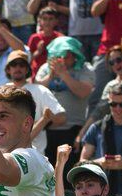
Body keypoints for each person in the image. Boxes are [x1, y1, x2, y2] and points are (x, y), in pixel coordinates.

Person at [35, 36, 95, 167]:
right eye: (59, 56)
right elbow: (36, 92)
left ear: (75, 55)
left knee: (68, 173)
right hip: (47, 129)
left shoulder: (85, 69)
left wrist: (64, 74)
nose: (62, 60)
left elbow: (83, 92)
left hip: (73, 129)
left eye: (67, 56)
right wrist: (50, 75)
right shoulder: (45, 68)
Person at [4, 50, 66, 155]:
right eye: (14, 64)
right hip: (6, 154)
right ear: (8, 69)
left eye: (22, 65)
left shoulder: (40, 90)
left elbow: (62, 117)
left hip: (35, 155)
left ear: (27, 69)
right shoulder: (1, 92)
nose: (18, 68)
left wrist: (47, 119)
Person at [27, 7, 64, 79]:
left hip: (54, 75)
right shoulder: (34, 38)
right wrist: (38, 52)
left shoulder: (60, 38)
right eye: (44, 19)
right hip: (37, 75)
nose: (47, 22)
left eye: (51, 19)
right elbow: (28, 59)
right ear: (39, 21)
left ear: (56, 21)